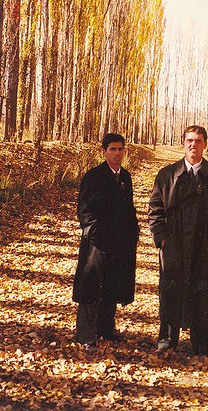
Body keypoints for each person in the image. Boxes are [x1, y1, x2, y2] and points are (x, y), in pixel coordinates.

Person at [148, 125, 208, 356]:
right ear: (183, 144)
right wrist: (161, 238)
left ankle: (203, 345)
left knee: (203, 294)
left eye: (198, 141)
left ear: (205, 144)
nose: (193, 145)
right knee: (171, 292)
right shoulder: (167, 175)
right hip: (173, 246)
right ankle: (166, 340)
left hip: (203, 248)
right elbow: (155, 210)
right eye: (189, 140)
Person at [72, 133, 139, 350]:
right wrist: (95, 235)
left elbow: (128, 207)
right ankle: (85, 335)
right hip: (96, 242)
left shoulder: (125, 177)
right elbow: (84, 210)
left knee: (112, 284)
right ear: (104, 151)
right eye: (112, 149)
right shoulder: (94, 176)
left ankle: (106, 330)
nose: (117, 153)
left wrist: (133, 231)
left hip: (119, 242)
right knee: (90, 286)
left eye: (120, 149)